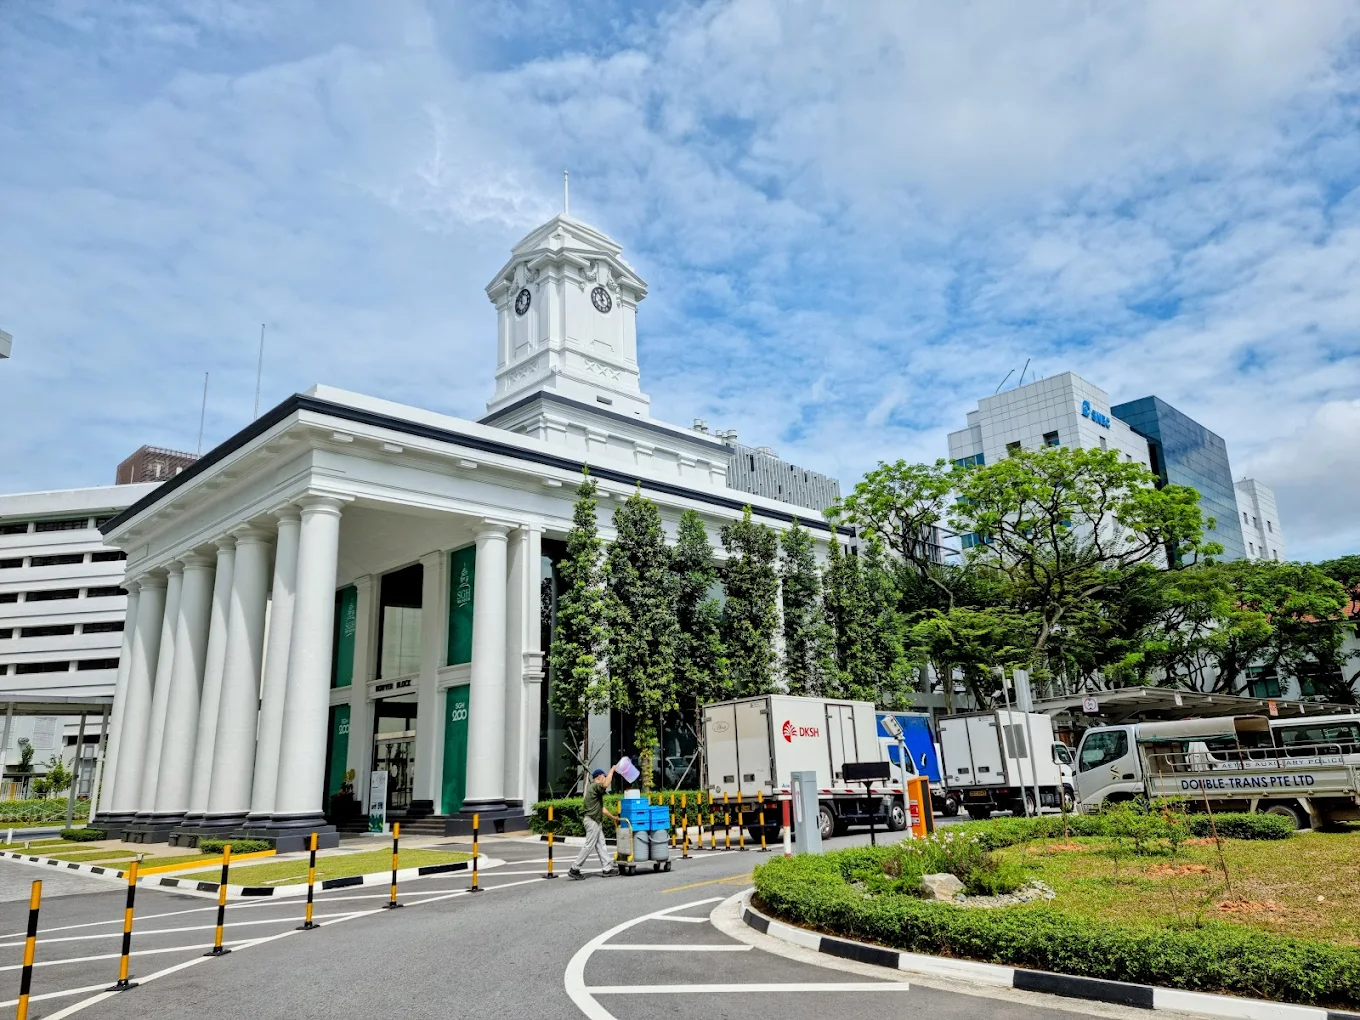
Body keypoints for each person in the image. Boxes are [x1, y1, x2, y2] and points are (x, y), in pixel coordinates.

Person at [568, 766, 618, 879]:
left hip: (595, 821)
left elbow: (601, 808)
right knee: (589, 845)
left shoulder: (593, 790)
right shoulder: (595, 786)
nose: (605, 778)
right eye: (604, 777)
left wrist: (612, 817)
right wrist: (612, 771)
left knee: (601, 844)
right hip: (592, 821)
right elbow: (605, 785)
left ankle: (607, 868)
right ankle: (574, 868)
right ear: (599, 777)